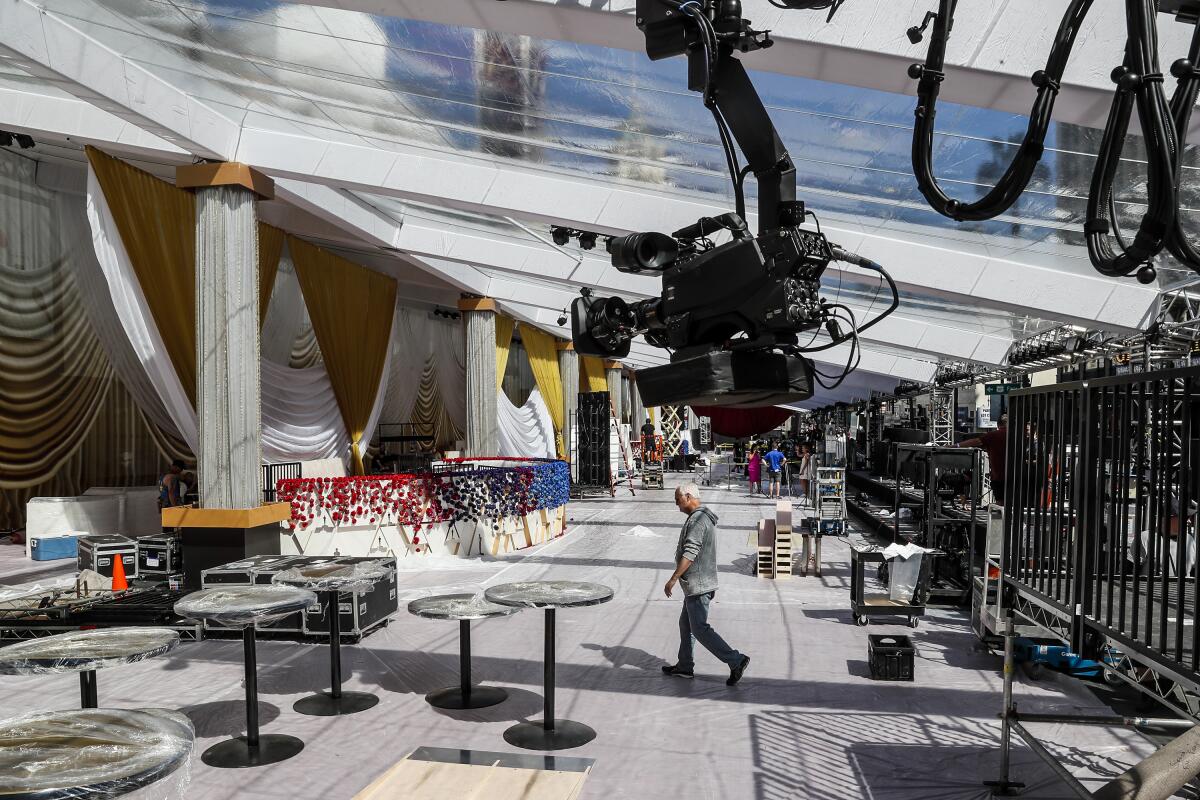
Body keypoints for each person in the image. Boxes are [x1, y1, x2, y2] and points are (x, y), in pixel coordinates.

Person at [662, 484, 750, 685]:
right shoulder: (699, 518)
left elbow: (690, 553)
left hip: (699, 585)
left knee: (699, 628)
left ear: (688, 496)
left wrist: (674, 578)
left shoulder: (698, 521)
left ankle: (736, 660)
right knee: (686, 624)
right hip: (697, 584)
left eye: (678, 499)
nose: (676, 503)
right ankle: (685, 665)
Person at [961, 414, 1008, 504]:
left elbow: (975, 442)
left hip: (999, 476)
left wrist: (956, 445)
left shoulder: (993, 435)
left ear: (998, 425)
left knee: (1001, 504)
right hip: (1018, 476)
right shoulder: (1018, 435)